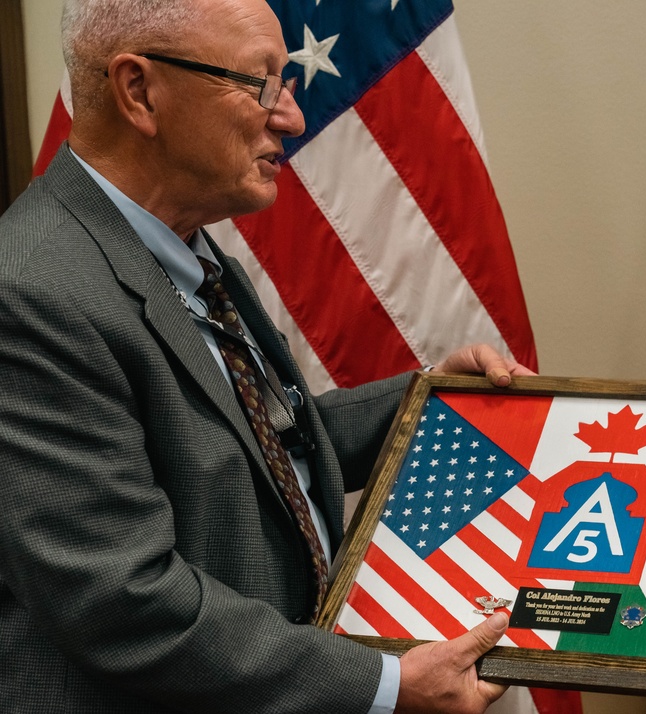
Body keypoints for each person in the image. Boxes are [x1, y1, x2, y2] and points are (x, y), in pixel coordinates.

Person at [0, 0, 533, 711]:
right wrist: (383, 687)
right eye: (260, 85)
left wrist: (427, 400)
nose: (291, 118)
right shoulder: (31, 292)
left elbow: (258, 450)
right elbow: (123, 602)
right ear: (139, 92)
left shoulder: (186, 249)